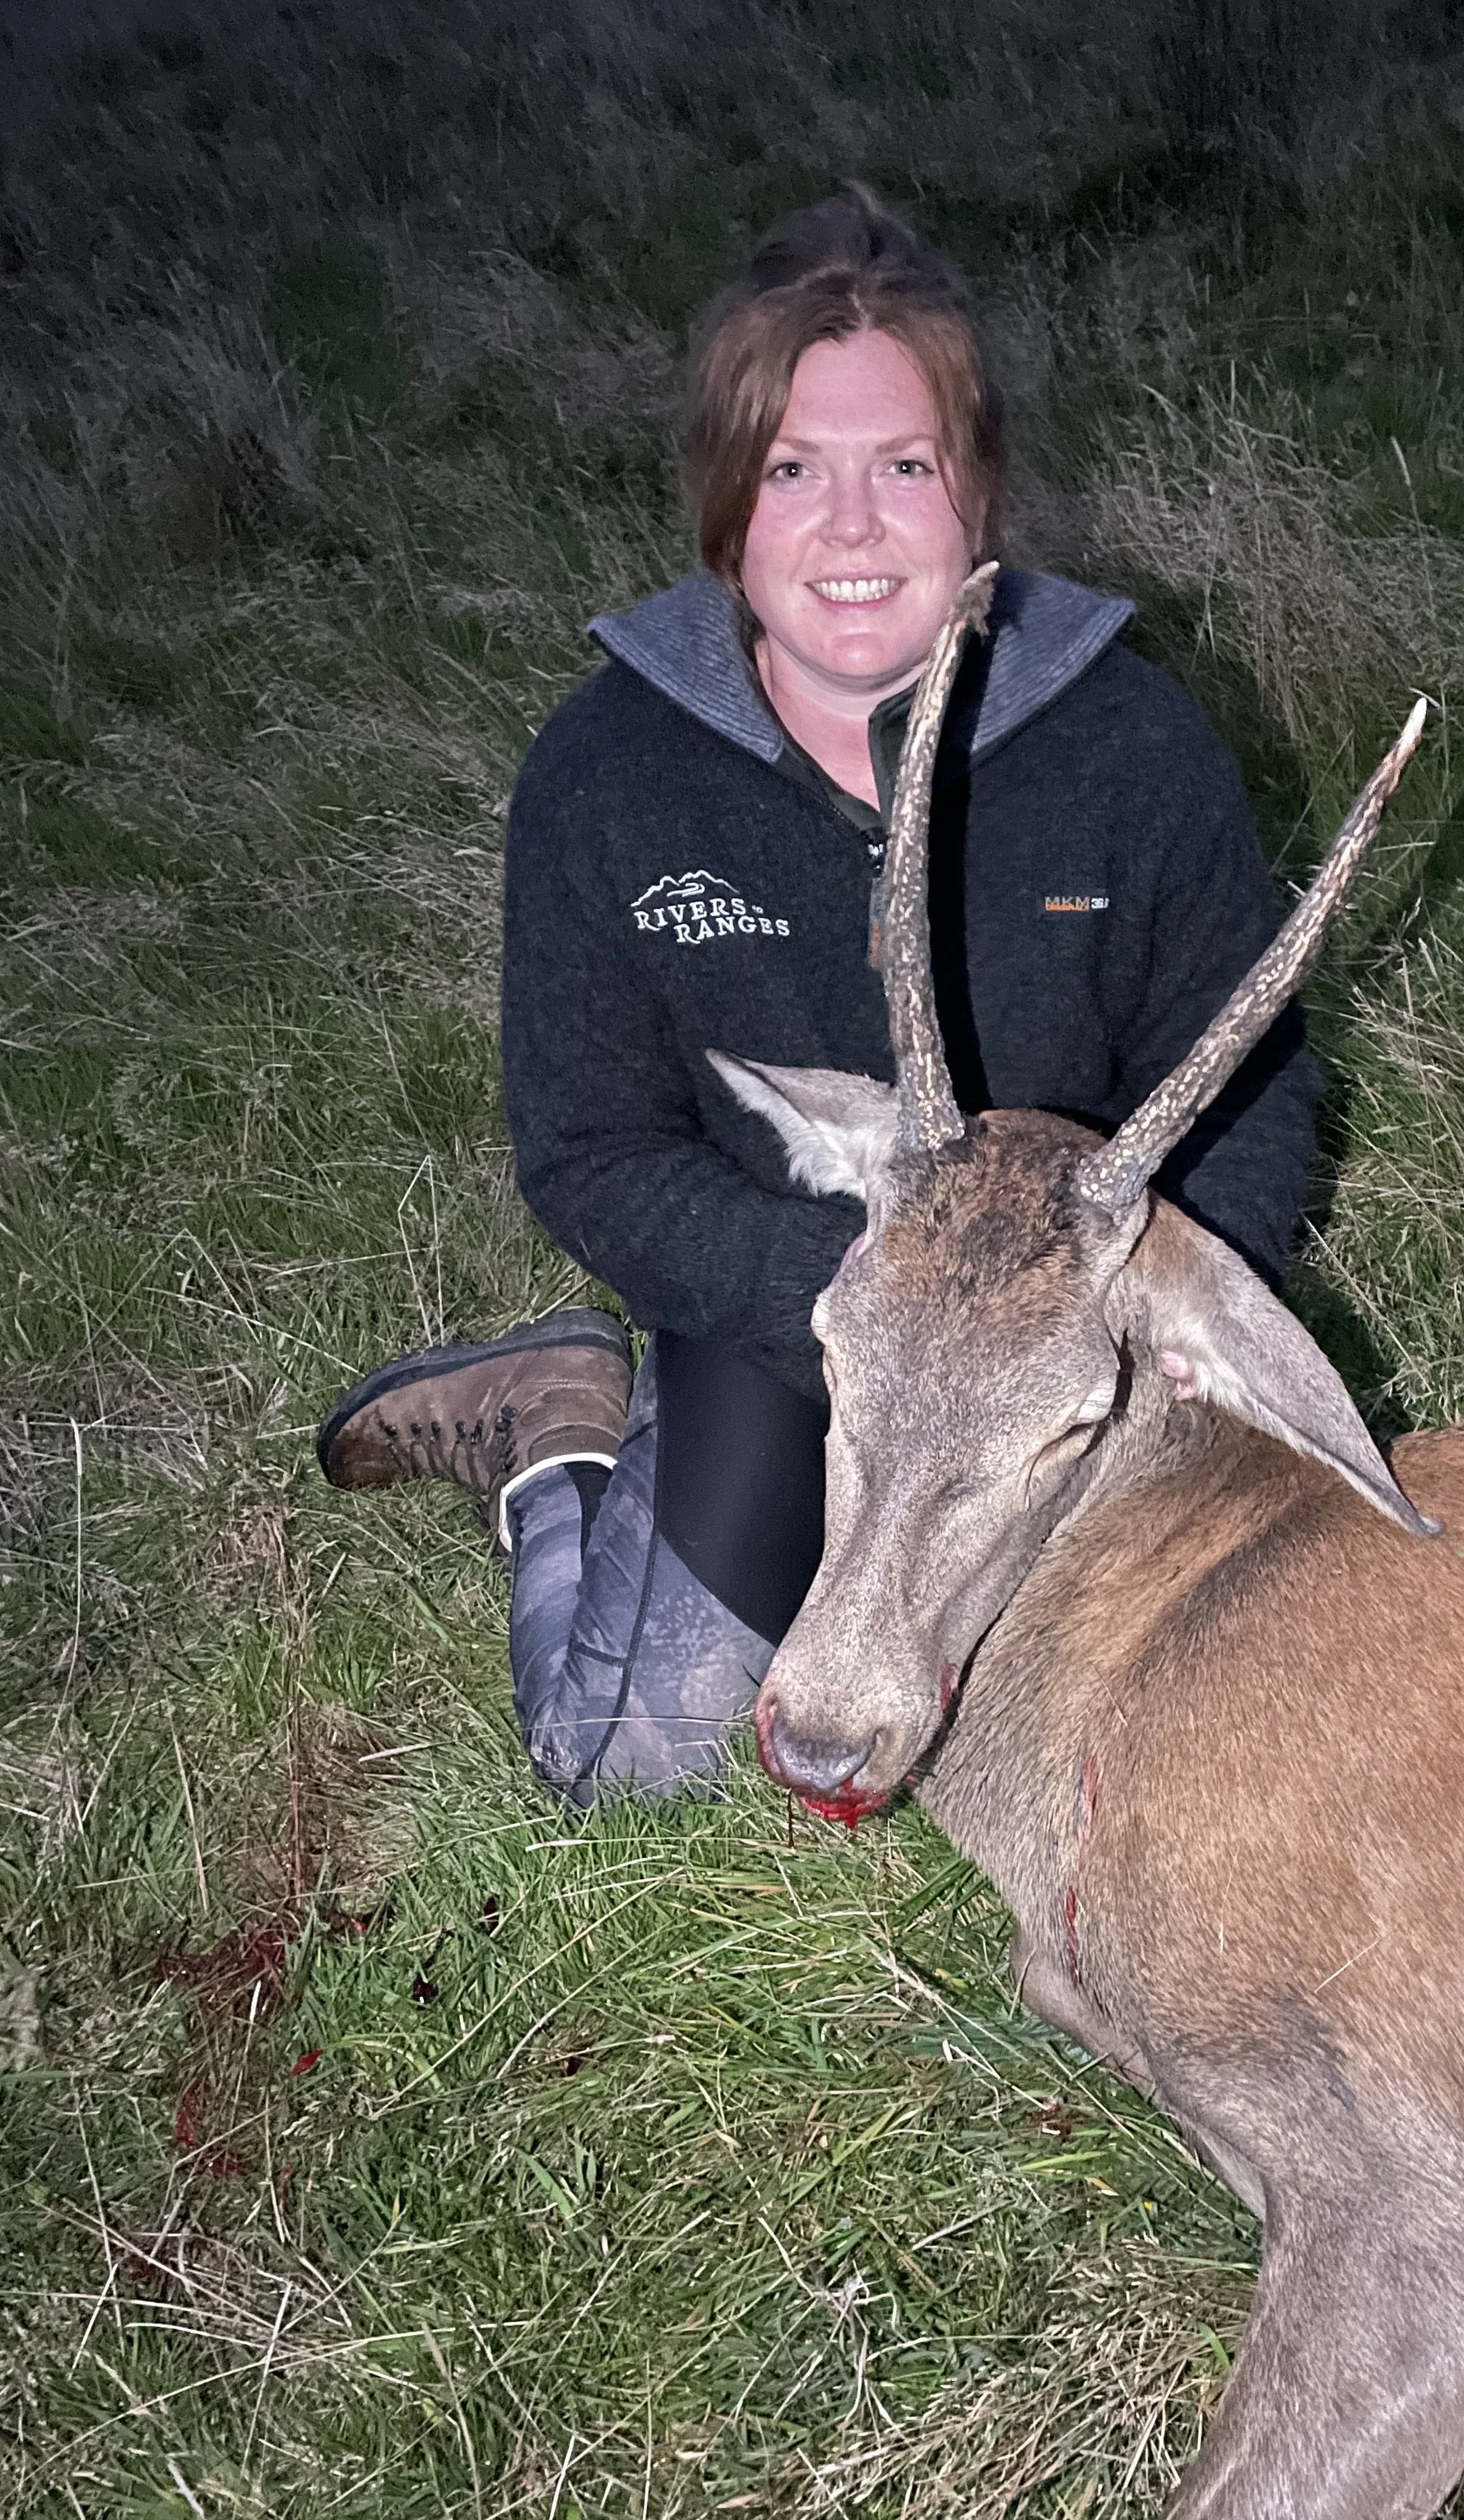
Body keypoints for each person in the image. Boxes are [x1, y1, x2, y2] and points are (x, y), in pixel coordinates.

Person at [317, 188, 1320, 1803]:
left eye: (901, 467)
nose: (851, 530)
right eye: (793, 471)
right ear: (728, 510)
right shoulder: (607, 777)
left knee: (1200, 1713)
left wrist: (1173, 1304)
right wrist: (833, 1287)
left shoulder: (1129, 750)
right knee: (636, 1766)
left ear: (973, 496)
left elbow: (1257, 1083)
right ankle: (550, 1441)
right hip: (797, 1312)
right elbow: (587, 1148)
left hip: (1063, 1348)